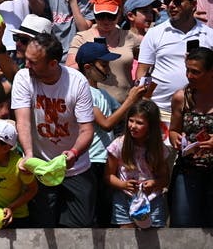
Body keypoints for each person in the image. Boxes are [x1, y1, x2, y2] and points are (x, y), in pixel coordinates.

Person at [13, 33, 96, 227]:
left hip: (76, 168)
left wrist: (74, 153)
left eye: (33, 62)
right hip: (41, 167)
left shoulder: (77, 82)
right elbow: (23, 121)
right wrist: (29, 156)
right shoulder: (24, 77)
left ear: (52, 63)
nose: (26, 66)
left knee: (80, 228)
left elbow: (87, 130)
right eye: (26, 59)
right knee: (43, 227)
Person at [138, 0, 213, 115]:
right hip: (159, 111)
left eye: (177, 1)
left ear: (193, 5)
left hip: (201, 111)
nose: (171, 5)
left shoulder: (209, 35)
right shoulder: (155, 33)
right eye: (168, 1)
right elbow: (143, 72)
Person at [106, 99, 170, 228]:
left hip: (153, 199)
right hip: (125, 198)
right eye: (131, 120)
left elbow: (165, 179)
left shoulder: (159, 149)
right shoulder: (118, 145)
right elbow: (108, 176)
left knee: (153, 238)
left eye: (139, 123)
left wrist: (154, 183)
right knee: (126, 238)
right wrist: (123, 184)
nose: (133, 126)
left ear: (151, 126)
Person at [168, 45, 213, 227]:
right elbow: (173, 130)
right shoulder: (181, 97)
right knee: (182, 225)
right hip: (188, 171)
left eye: (195, 72)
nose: (189, 76)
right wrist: (176, 139)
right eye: (187, 70)